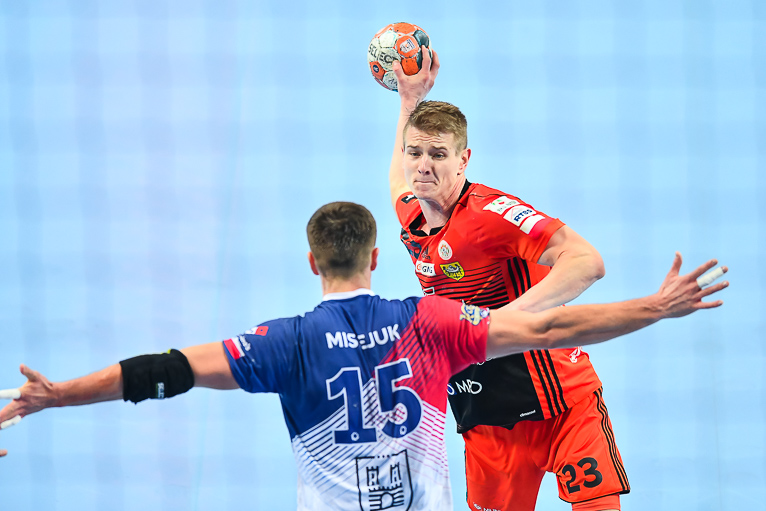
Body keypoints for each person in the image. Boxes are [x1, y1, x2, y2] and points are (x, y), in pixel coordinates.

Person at [0, 202, 727, 511]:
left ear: (312, 261)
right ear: (377, 257)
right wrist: (654, 307)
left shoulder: (284, 343)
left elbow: (166, 372)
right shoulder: (430, 323)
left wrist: (58, 395)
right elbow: (552, 327)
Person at [386, 50, 653, 511]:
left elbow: (586, 261)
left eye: (438, 154)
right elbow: (397, 179)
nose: (423, 165)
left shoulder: (489, 214)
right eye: (416, 153)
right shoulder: (413, 216)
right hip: (486, 415)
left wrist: (502, 322)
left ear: (464, 160)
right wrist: (409, 100)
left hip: (560, 402)